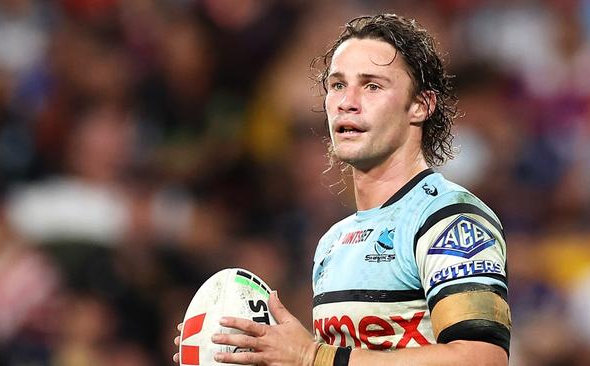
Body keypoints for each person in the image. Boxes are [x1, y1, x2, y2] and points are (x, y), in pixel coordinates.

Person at [174, 13, 510, 366]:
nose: (347, 102)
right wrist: (259, 351)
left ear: (420, 105)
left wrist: (311, 355)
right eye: (337, 85)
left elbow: (481, 357)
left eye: (372, 86)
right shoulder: (334, 242)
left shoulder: (450, 219)